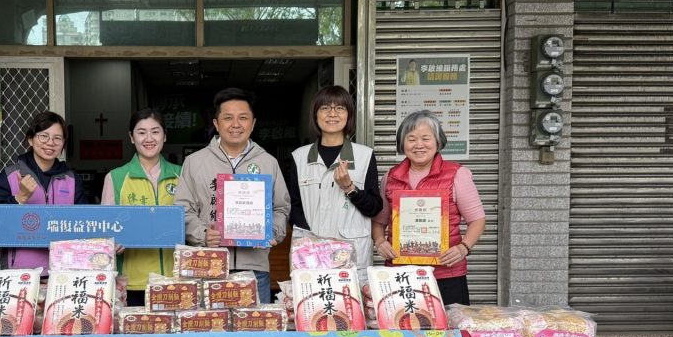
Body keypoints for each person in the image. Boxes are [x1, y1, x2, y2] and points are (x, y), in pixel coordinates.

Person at [173, 88, 291, 300]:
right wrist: (203, 234)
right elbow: (182, 209)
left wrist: (273, 231)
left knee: (255, 322)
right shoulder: (195, 162)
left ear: (253, 124)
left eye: (243, 118)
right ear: (216, 124)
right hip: (208, 265)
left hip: (255, 269)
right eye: (228, 118)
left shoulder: (268, 162)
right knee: (211, 322)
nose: (236, 124)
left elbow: (281, 207)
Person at [371, 109, 486, 307]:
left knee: (449, 326)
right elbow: (379, 221)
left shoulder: (457, 174)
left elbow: (477, 220)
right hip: (401, 273)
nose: (419, 145)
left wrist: (463, 248)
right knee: (401, 325)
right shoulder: (391, 177)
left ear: (438, 141)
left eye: (426, 138)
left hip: (446, 273)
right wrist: (380, 241)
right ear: (402, 143)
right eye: (411, 139)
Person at [289, 85, 383, 271]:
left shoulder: (364, 156)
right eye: (325, 108)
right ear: (315, 115)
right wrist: (313, 242)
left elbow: (374, 208)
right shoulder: (299, 157)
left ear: (349, 115)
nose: (332, 114)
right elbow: (294, 207)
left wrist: (349, 188)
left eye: (340, 108)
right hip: (311, 255)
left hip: (351, 255)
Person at [0, 111, 89, 272]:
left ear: (63, 143)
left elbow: (85, 222)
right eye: (44, 136)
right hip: (20, 271)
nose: (50, 143)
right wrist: (19, 198)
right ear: (30, 139)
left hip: (64, 270)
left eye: (57, 138)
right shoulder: (11, 175)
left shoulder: (71, 179)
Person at [101, 108, 182, 306]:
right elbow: (105, 230)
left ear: (164, 136)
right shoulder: (116, 177)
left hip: (175, 280)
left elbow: (191, 220)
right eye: (141, 132)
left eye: (155, 131)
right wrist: (113, 243)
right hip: (132, 283)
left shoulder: (182, 175)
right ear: (131, 137)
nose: (149, 138)